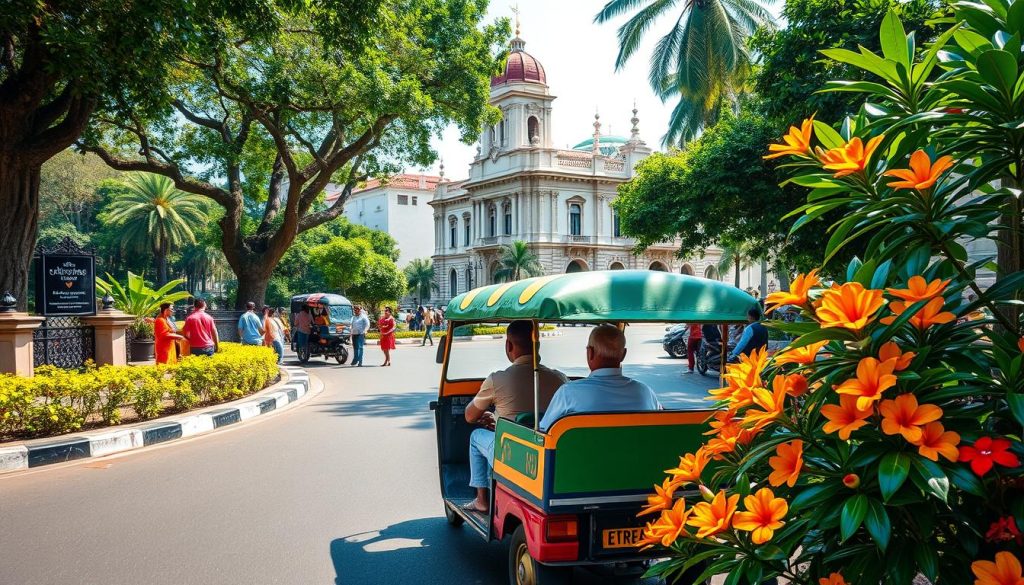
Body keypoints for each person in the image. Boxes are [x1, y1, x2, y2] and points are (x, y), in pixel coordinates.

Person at [462, 320, 568, 513]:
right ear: (537, 345)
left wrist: (493, 418)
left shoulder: (497, 379)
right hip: (549, 454)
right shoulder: (559, 378)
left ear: (508, 345)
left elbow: (469, 416)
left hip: (511, 455)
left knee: (476, 436)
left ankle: (481, 500)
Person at [539, 324, 660, 432]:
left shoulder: (568, 393)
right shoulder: (645, 392)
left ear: (590, 352)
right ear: (623, 354)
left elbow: (544, 431)